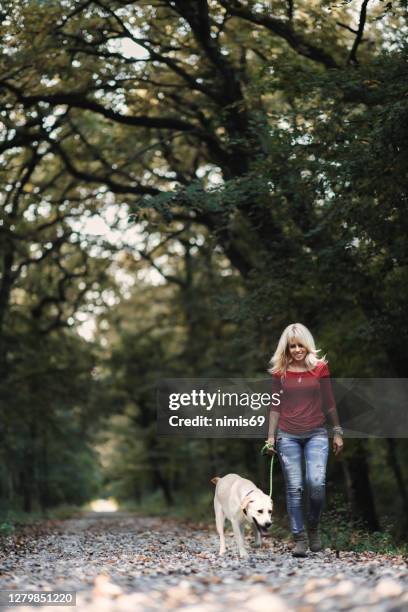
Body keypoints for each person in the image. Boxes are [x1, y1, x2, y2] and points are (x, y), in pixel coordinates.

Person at [266, 323, 344, 557]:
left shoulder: (320, 368)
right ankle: (299, 538)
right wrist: (271, 437)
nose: (297, 350)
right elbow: (275, 405)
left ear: (307, 345)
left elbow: (329, 401)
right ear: (286, 348)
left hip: (316, 434)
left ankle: (313, 528)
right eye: (292, 346)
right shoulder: (280, 372)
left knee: (316, 483)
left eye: (301, 345)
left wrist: (338, 431)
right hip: (287, 435)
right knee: (295, 488)